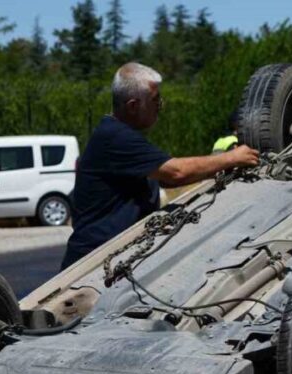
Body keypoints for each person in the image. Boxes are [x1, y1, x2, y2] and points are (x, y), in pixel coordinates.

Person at [61, 63, 260, 269]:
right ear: (132, 106)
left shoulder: (117, 133)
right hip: (92, 263)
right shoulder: (115, 137)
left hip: (108, 256)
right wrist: (232, 158)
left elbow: (165, 178)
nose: (160, 105)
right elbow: (176, 172)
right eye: (155, 100)